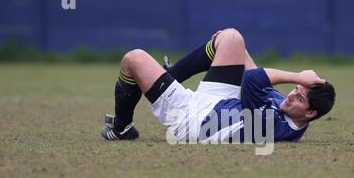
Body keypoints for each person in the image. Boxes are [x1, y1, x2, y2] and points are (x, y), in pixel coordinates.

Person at [100, 28, 335, 144]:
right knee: (232, 37)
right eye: (296, 90)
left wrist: (299, 76)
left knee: (134, 58)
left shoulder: (272, 127)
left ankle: (122, 127)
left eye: (299, 97)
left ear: (311, 113)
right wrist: (232, 47)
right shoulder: (292, 113)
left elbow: (252, 79)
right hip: (222, 103)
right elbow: (257, 77)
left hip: (193, 119)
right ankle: (170, 75)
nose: (291, 95)